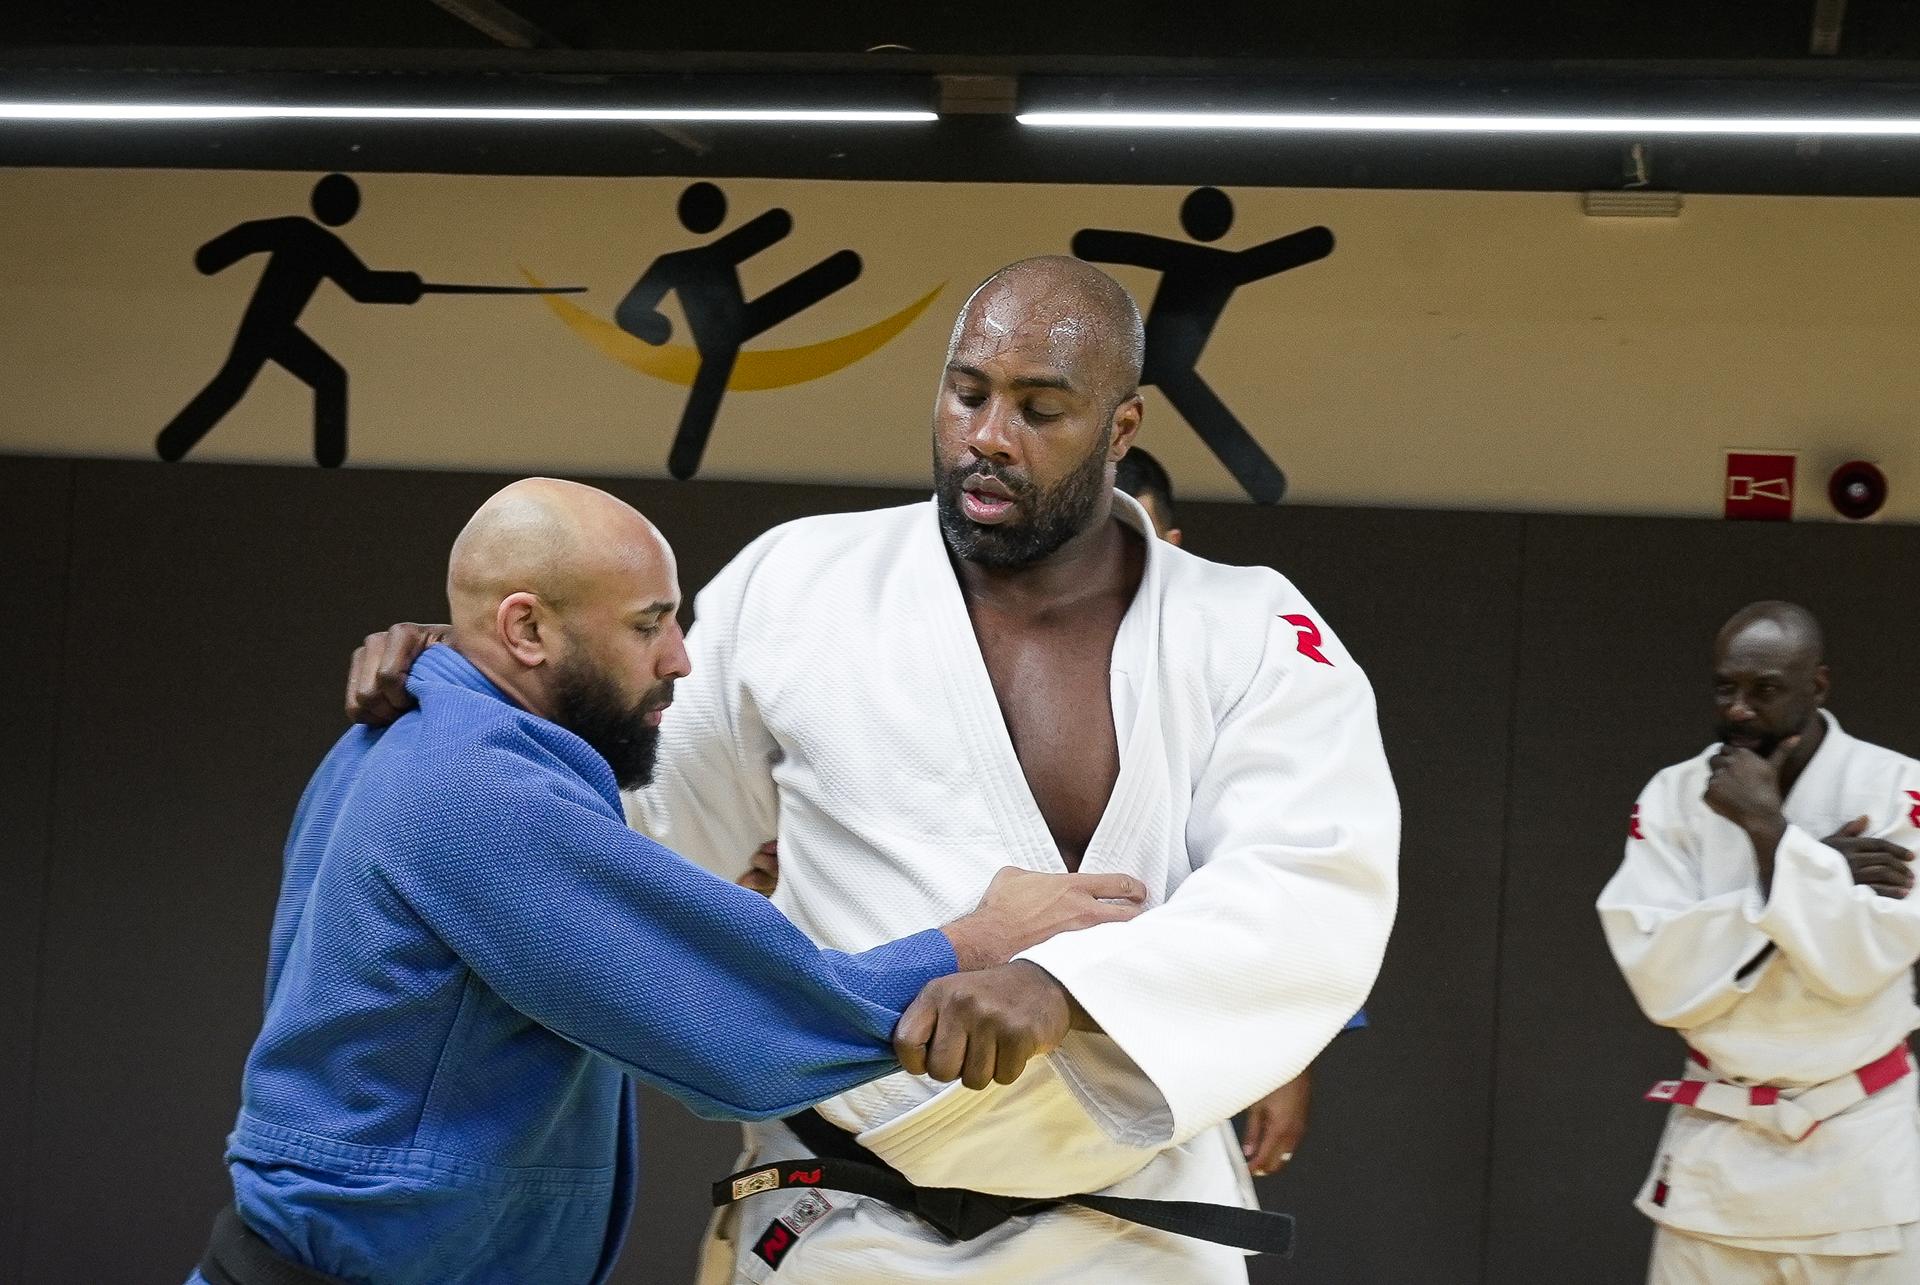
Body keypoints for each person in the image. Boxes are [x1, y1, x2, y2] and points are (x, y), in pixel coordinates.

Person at [352, 258, 1398, 1283]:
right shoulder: (801, 580)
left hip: (1132, 1214)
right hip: (846, 1202)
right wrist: (490, 677)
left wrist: (1062, 986)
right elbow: (637, 827)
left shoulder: (1251, 626)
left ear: (1120, 429)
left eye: (1041, 409)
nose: (988, 437)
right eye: (967, 394)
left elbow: (1311, 880)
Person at [195, 478, 1144, 1285]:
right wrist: (982, 938)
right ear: (524, 628)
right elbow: (744, 1037)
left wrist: (711, 909)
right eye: (650, 623)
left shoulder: (405, 733)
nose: (680, 657)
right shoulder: (479, 784)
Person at [1598, 601, 1920, 1284]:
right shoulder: (1673, 795)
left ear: (1819, 685)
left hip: (1861, 1145)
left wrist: (1772, 835)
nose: (1740, 708)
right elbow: (1661, 974)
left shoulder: (1897, 787)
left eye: (1765, 690)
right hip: (1721, 1149)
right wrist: (1818, 870)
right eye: (1726, 687)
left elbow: (1861, 961)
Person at [1113, 445, 1368, 1180]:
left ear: (1173, 545)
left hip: (1176, 1026)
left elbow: (1291, 855)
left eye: (1137, 535)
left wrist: (1294, 1051)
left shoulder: (1227, 660)